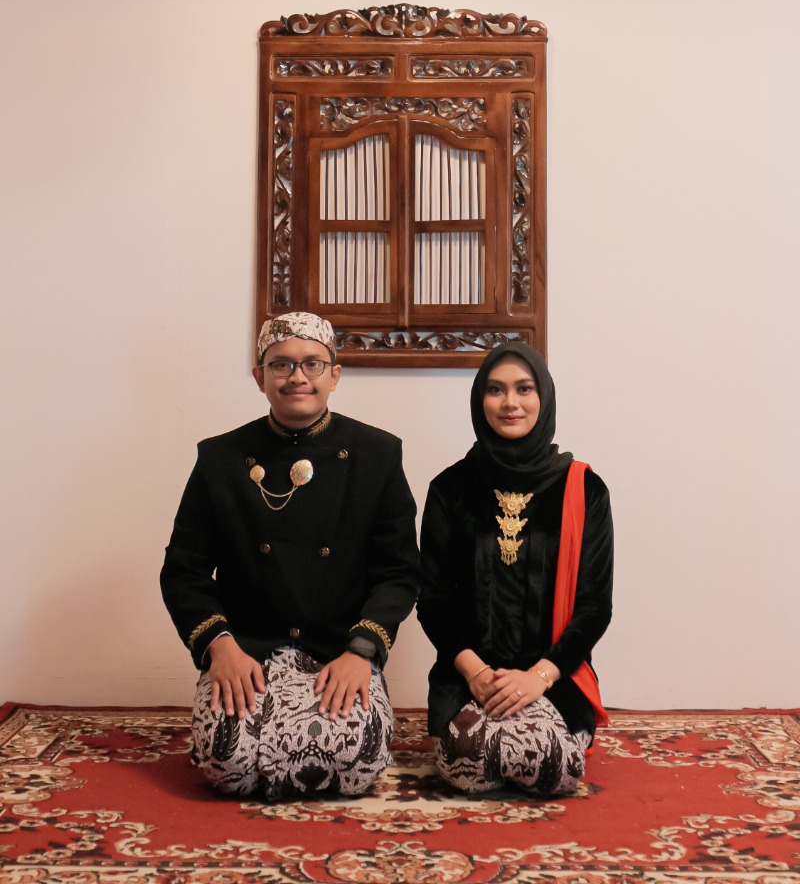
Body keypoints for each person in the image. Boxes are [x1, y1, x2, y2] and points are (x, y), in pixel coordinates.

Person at [161, 312, 420, 799]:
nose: (297, 376)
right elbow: (183, 571)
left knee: (357, 763)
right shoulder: (219, 459)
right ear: (259, 377)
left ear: (334, 375)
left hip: (340, 648)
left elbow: (399, 572)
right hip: (247, 648)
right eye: (281, 364)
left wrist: (362, 651)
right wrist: (220, 646)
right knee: (227, 764)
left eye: (312, 363)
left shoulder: (378, 454)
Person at [417, 342, 613, 796]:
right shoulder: (449, 488)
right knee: (468, 764)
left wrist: (537, 677)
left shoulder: (584, 489)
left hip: (554, 678)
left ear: (544, 396)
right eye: (495, 389)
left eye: (524, 389)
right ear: (479, 399)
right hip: (468, 677)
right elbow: (433, 600)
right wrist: (475, 673)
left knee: (549, 765)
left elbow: (594, 606)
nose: (510, 402)